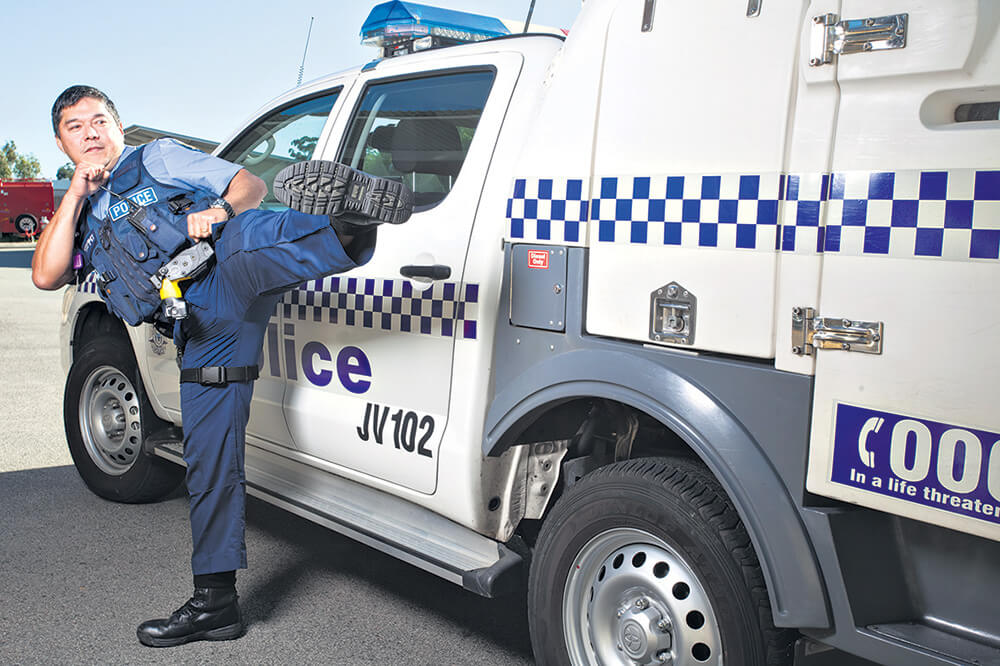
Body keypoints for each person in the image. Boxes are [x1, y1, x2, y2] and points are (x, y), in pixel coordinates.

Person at [32, 85, 413, 647]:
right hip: (199, 327)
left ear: (118, 126)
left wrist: (221, 209)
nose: (90, 132)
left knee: (254, 236)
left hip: (225, 265)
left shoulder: (155, 157)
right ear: (63, 142)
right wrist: (74, 194)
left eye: (99, 121)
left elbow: (250, 185)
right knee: (207, 460)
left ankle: (346, 223)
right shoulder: (80, 213)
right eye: (75, 126)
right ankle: (216, 603)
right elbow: (45, 273)